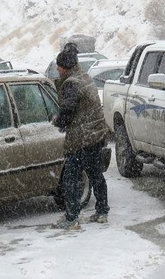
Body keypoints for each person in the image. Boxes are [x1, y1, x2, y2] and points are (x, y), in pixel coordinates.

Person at [51, 42, 109, 230]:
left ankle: (71, 217)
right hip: (96, 135)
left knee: (71, 179)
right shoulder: (85, 77)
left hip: (82, 139)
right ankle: (102, 211)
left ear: (65, 67)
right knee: (95, 174)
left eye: (59, 66)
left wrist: (57, 121)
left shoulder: (71, 84)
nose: (57, 70)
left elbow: (67, 110)